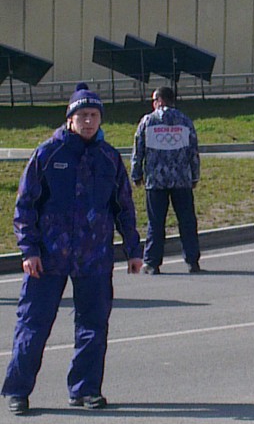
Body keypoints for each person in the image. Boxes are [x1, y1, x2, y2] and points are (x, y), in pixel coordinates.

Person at [2, 83, 143, 415]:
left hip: (94, 257)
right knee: (33, 324)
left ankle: (85, 389)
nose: (89, 121)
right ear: (70, 119)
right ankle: (18, 391)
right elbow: (25, 206)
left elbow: (123, 207)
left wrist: (133, 249)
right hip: (48, 257)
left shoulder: (109, 158)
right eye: (83, 116)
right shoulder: (48, 154)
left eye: (94, 115)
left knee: (93, 325)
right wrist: (29, 250)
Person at [130, 86, 202, 274]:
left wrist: (136, 174)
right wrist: (194, 176)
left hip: (156, 181)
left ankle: (152, 263)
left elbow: (138, 150)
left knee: (155, 222)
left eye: (154, 100)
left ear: (159, 101)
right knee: (187, 221)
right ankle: (192, 261)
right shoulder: (185, 121)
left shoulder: (148, 121)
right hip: (181, 180)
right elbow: (193, 152)